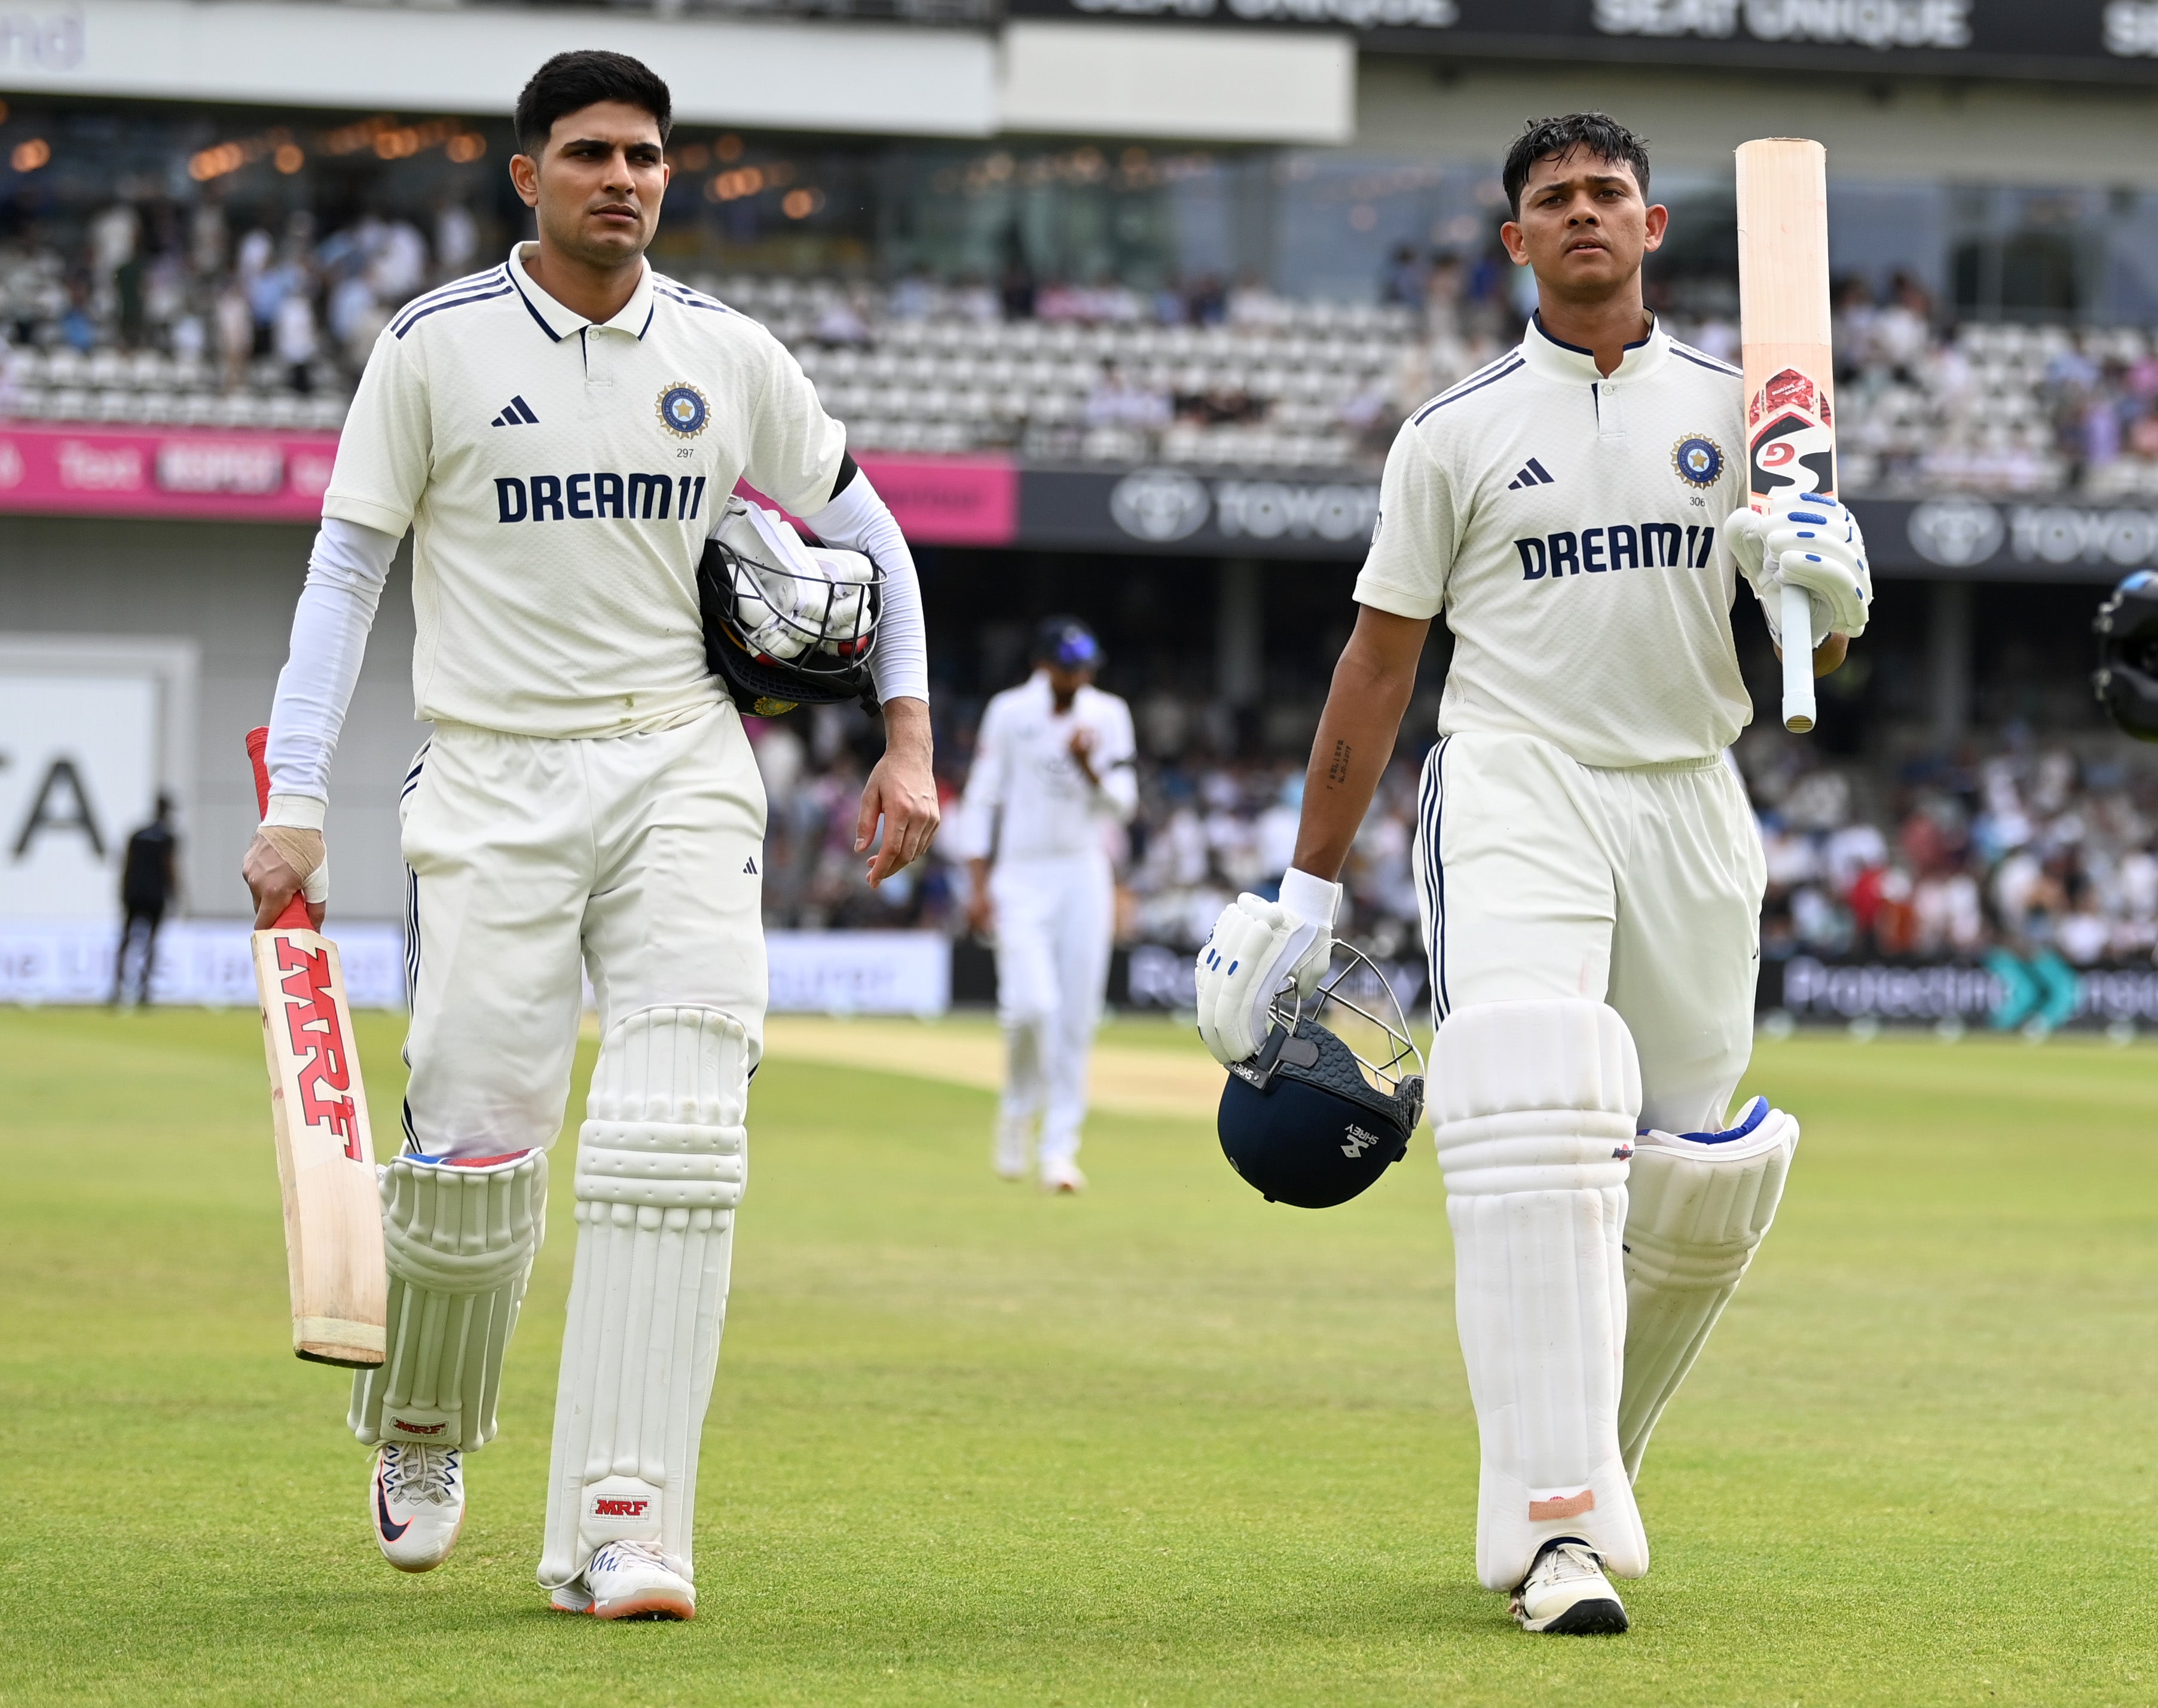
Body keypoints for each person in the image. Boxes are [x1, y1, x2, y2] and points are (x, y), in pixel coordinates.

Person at [240, 49, 937, 1622]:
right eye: (590, 154)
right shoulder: (432, 348)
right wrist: (294, 795)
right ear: (528, 175)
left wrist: (906, 737)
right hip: (489, 779)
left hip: (684, 764)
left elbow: (870, 532)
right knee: (476, 1164)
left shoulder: (728, 351)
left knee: (679, 1137)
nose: (621, 178)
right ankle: (421, 1429)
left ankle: (625, 1520)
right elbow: (344, 580)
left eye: (645, 156)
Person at [1192, 112, 1869, 1636]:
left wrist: (1828, 588)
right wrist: (1303, 891)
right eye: (1550, 200)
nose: (1579, 214)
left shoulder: (1749, 410)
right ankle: (1551, 1532)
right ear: (1512, 242)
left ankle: (1582, 1466)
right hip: (1513, 776)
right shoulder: (1454, 430)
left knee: (1702, 1171)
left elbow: (1811, 638)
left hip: (1690, 790)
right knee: (1534, 1095)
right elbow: (1376, 664)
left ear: (1651, 226)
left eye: (1605, 194)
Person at [951, 618, 1136, 1193]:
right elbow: (982, 798)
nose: (1078, 678)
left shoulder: (1108, 714)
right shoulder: (1010, 712)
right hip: (1022, 874)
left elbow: (1124, 807)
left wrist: (1087, 766)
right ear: (1043, 666)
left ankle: (1059, 1151)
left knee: (1076, 1017)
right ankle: (1016, 1107)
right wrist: (977, 884)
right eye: (1068, 668)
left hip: (1083, 871)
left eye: (1086, 669)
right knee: (1031, 1007)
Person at [109, 794, 177, 1006]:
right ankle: (144, 990)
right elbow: (170, 867)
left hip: (135, 892)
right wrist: (175, 894)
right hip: (155, 895)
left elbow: (127, 864)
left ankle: (117, 989)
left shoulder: (137, 834)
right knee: (151, 942)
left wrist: (122, 890)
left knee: (126, 941)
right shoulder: (167, 837)